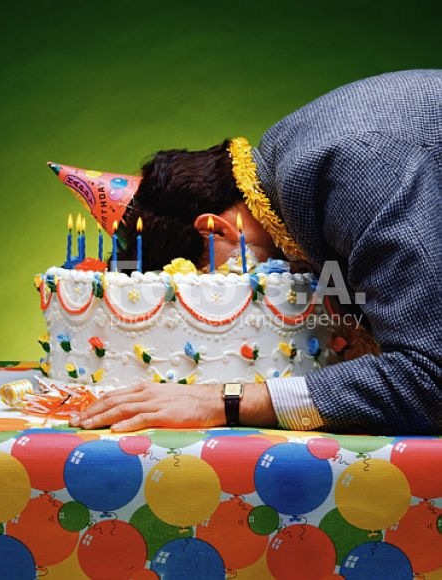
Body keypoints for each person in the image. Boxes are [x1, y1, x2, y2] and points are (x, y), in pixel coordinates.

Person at [69, 69, 441, 435]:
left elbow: (431, 376)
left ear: (215, 229)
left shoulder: (348, 167)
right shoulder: (291, 160)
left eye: (210, 282)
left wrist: (225, 401)